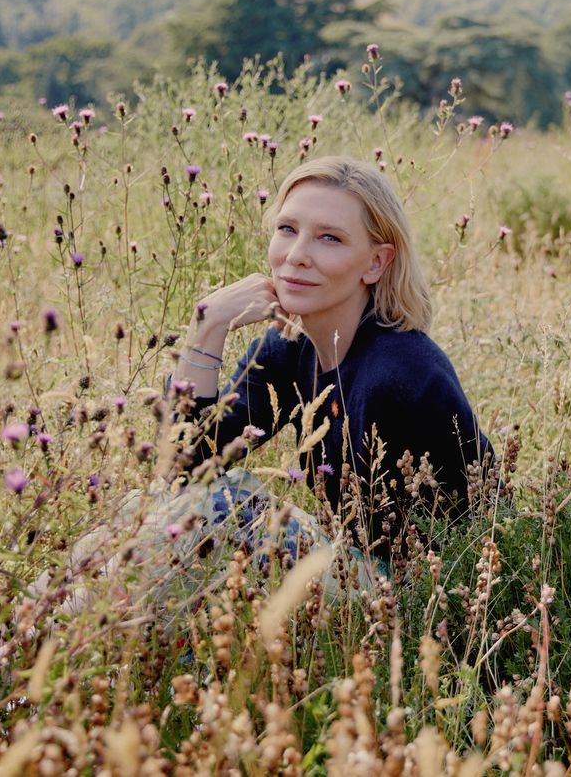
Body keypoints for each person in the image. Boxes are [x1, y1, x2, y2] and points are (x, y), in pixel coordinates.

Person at [166, 155, 492, 565]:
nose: (296, 255)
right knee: (165, 508)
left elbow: (479, 530)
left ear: (376, 262)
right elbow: (186, 465)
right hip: (345, 568)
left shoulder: (402, 372)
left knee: (206, 510)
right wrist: (207, 327)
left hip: (417, 588)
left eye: (330, 238)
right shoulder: (287, 350)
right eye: (287, 229)